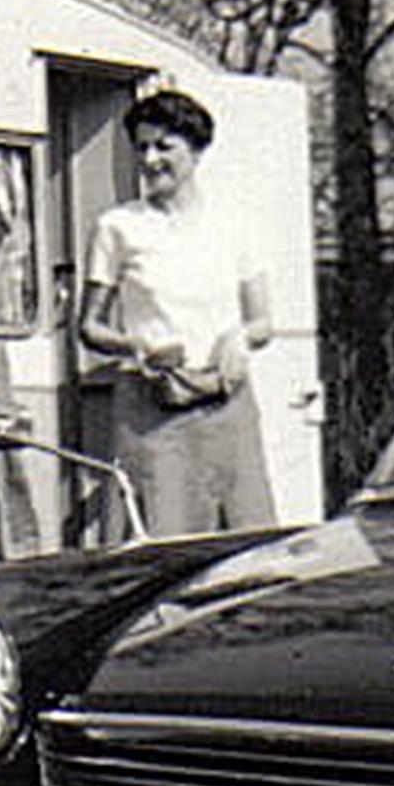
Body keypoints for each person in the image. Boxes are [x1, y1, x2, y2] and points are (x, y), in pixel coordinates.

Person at [78, 88, 276, 537]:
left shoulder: (234, 225)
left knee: (240, 535)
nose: (150, 159)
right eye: (142, 147)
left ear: (197, 150)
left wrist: (240, 338)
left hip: (225, 403)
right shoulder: (118, 227)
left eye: (164, 146)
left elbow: (263, 321)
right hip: (152, 406)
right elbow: (89, 327)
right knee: (157, 535)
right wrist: (137, 345)